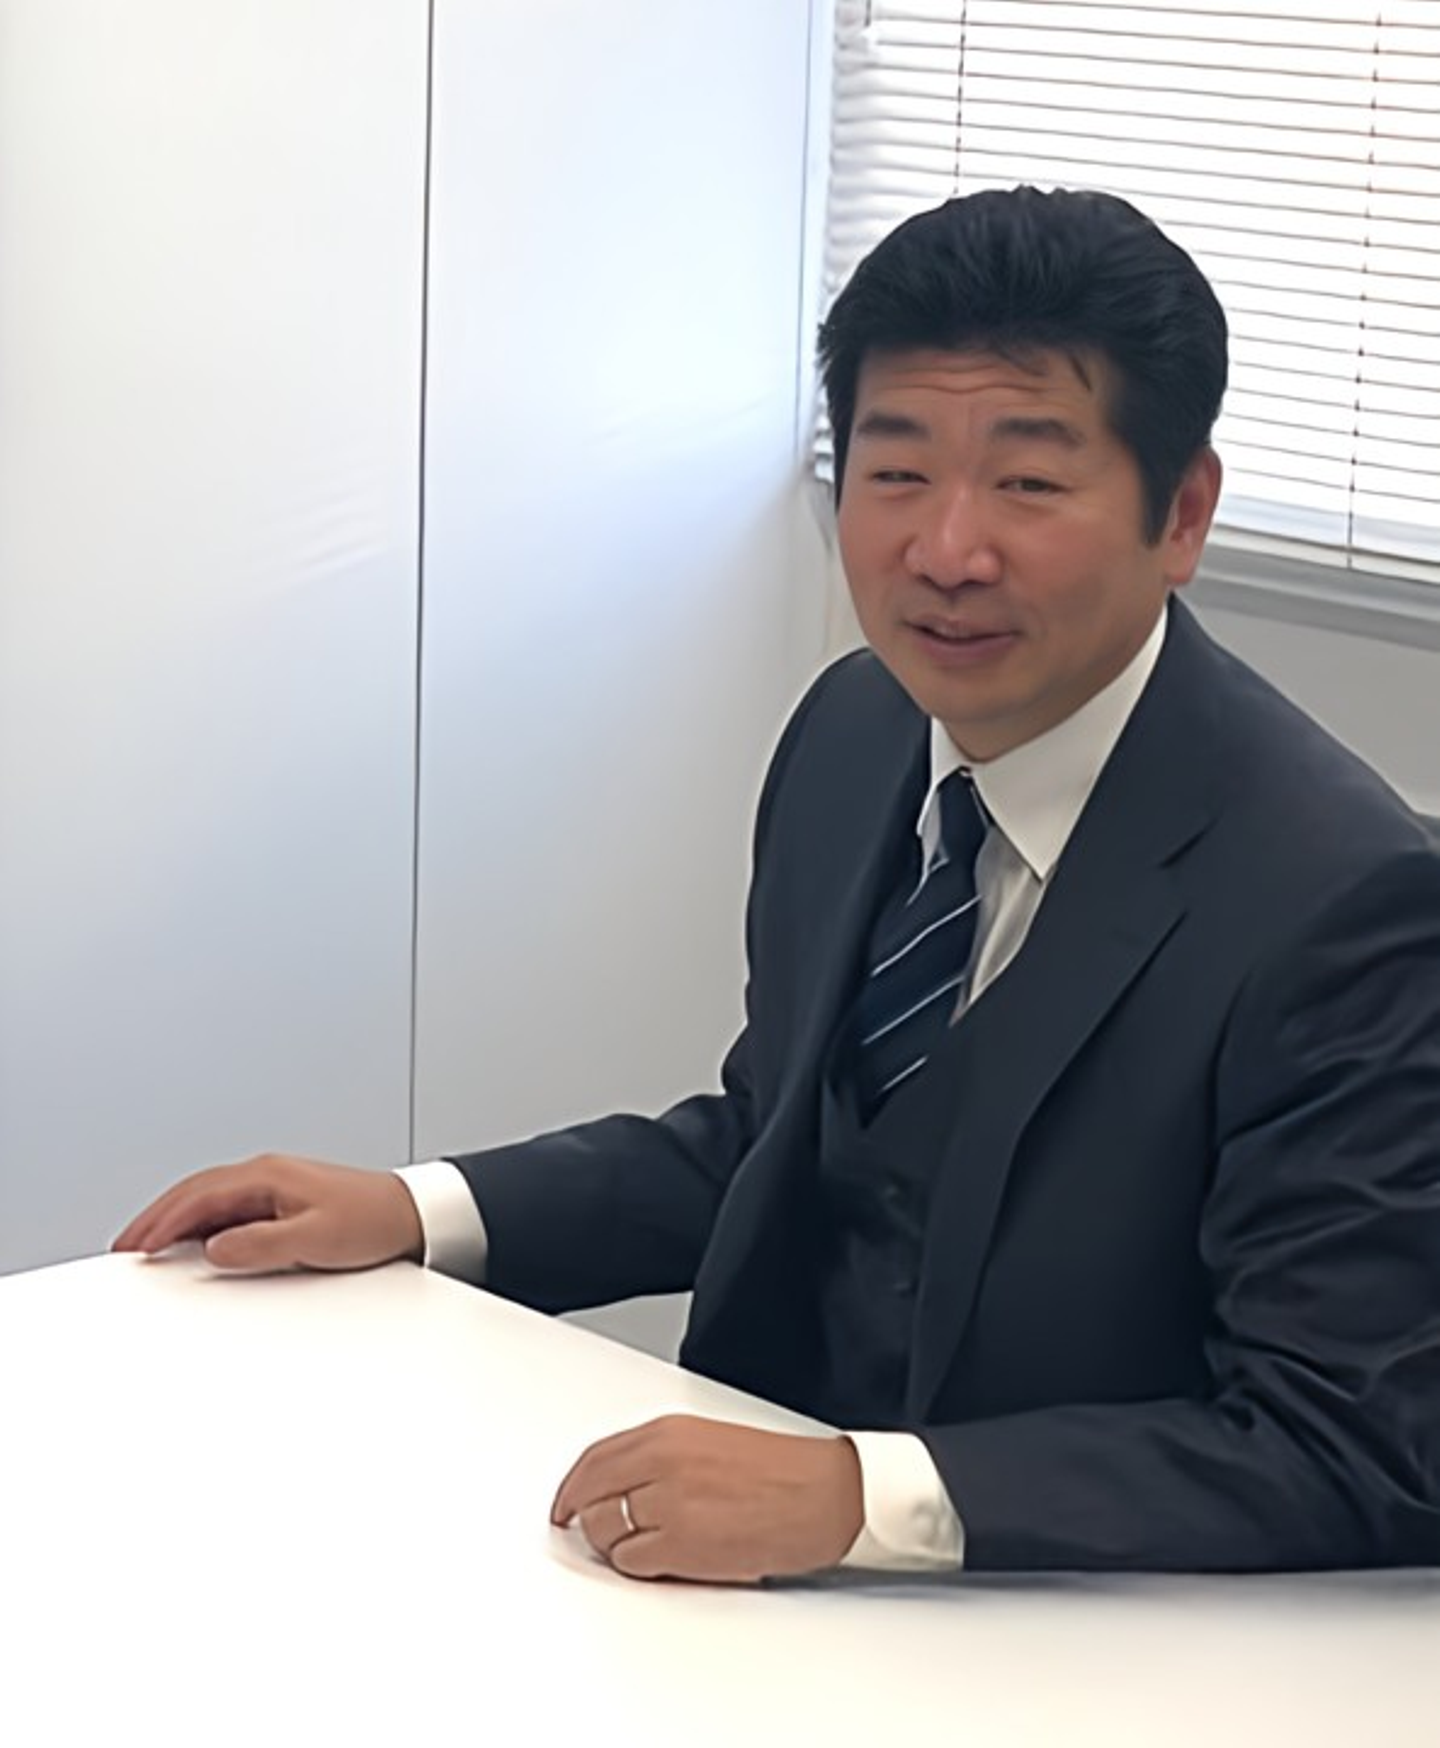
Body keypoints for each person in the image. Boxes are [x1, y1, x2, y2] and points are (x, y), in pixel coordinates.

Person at [114, 186, 1440, 1582]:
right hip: (738, 1587)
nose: (947, 552)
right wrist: (423, 1211)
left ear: (1183, 515)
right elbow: (782, 1139)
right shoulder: (854, 733)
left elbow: (1357, 1438)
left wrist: (863, 1496)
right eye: (897, 472)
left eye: (1031, 486)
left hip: (1073, 1621)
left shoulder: (1345, 907)